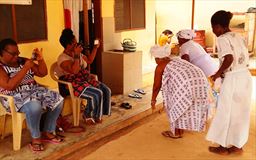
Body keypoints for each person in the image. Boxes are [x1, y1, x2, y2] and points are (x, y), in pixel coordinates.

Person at [0, 38, 64, 151]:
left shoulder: (22, 61)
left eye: (18, 52)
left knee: (58, 99)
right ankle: (36, 138)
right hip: (14, 98)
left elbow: (42, 73)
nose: (17, 56)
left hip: (34, 92)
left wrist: (40, 60)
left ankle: (48, 131)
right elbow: (9, 86)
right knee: (35, 106)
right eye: (13, 54)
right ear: (2, 53)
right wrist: (25, 68)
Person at [206, 10, 252, 155]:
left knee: (225, 112)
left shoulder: (222, 39)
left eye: (213, 28)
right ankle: (237, 146)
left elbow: (229, 59)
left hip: (233, 78)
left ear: (219, 26)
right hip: (245, 76)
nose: (213, 31)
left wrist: (216, 75)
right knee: (240, 113)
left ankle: (222, 147)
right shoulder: (238, 36)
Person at [150, 35, 210, 138]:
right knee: (185, 103)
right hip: (201, 81)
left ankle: (176, 132)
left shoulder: (160, 65)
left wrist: (153, 100)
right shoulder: (176, 59)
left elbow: (157, 85)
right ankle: (183, 128)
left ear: (158, 58)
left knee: (174, 103)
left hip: (188, 83)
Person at [56, 28, 111, 125]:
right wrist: (77, 55)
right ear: (68, 45)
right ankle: (87, 114)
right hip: (70, 83)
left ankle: (99, 114)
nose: (77, 44)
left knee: (106, 90)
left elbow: (89, 60)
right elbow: (75, 70)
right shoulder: (62, 58)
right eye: (74, 43)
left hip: (83, 79)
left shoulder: (78, 54)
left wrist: (95, 48)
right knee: (96, 93)